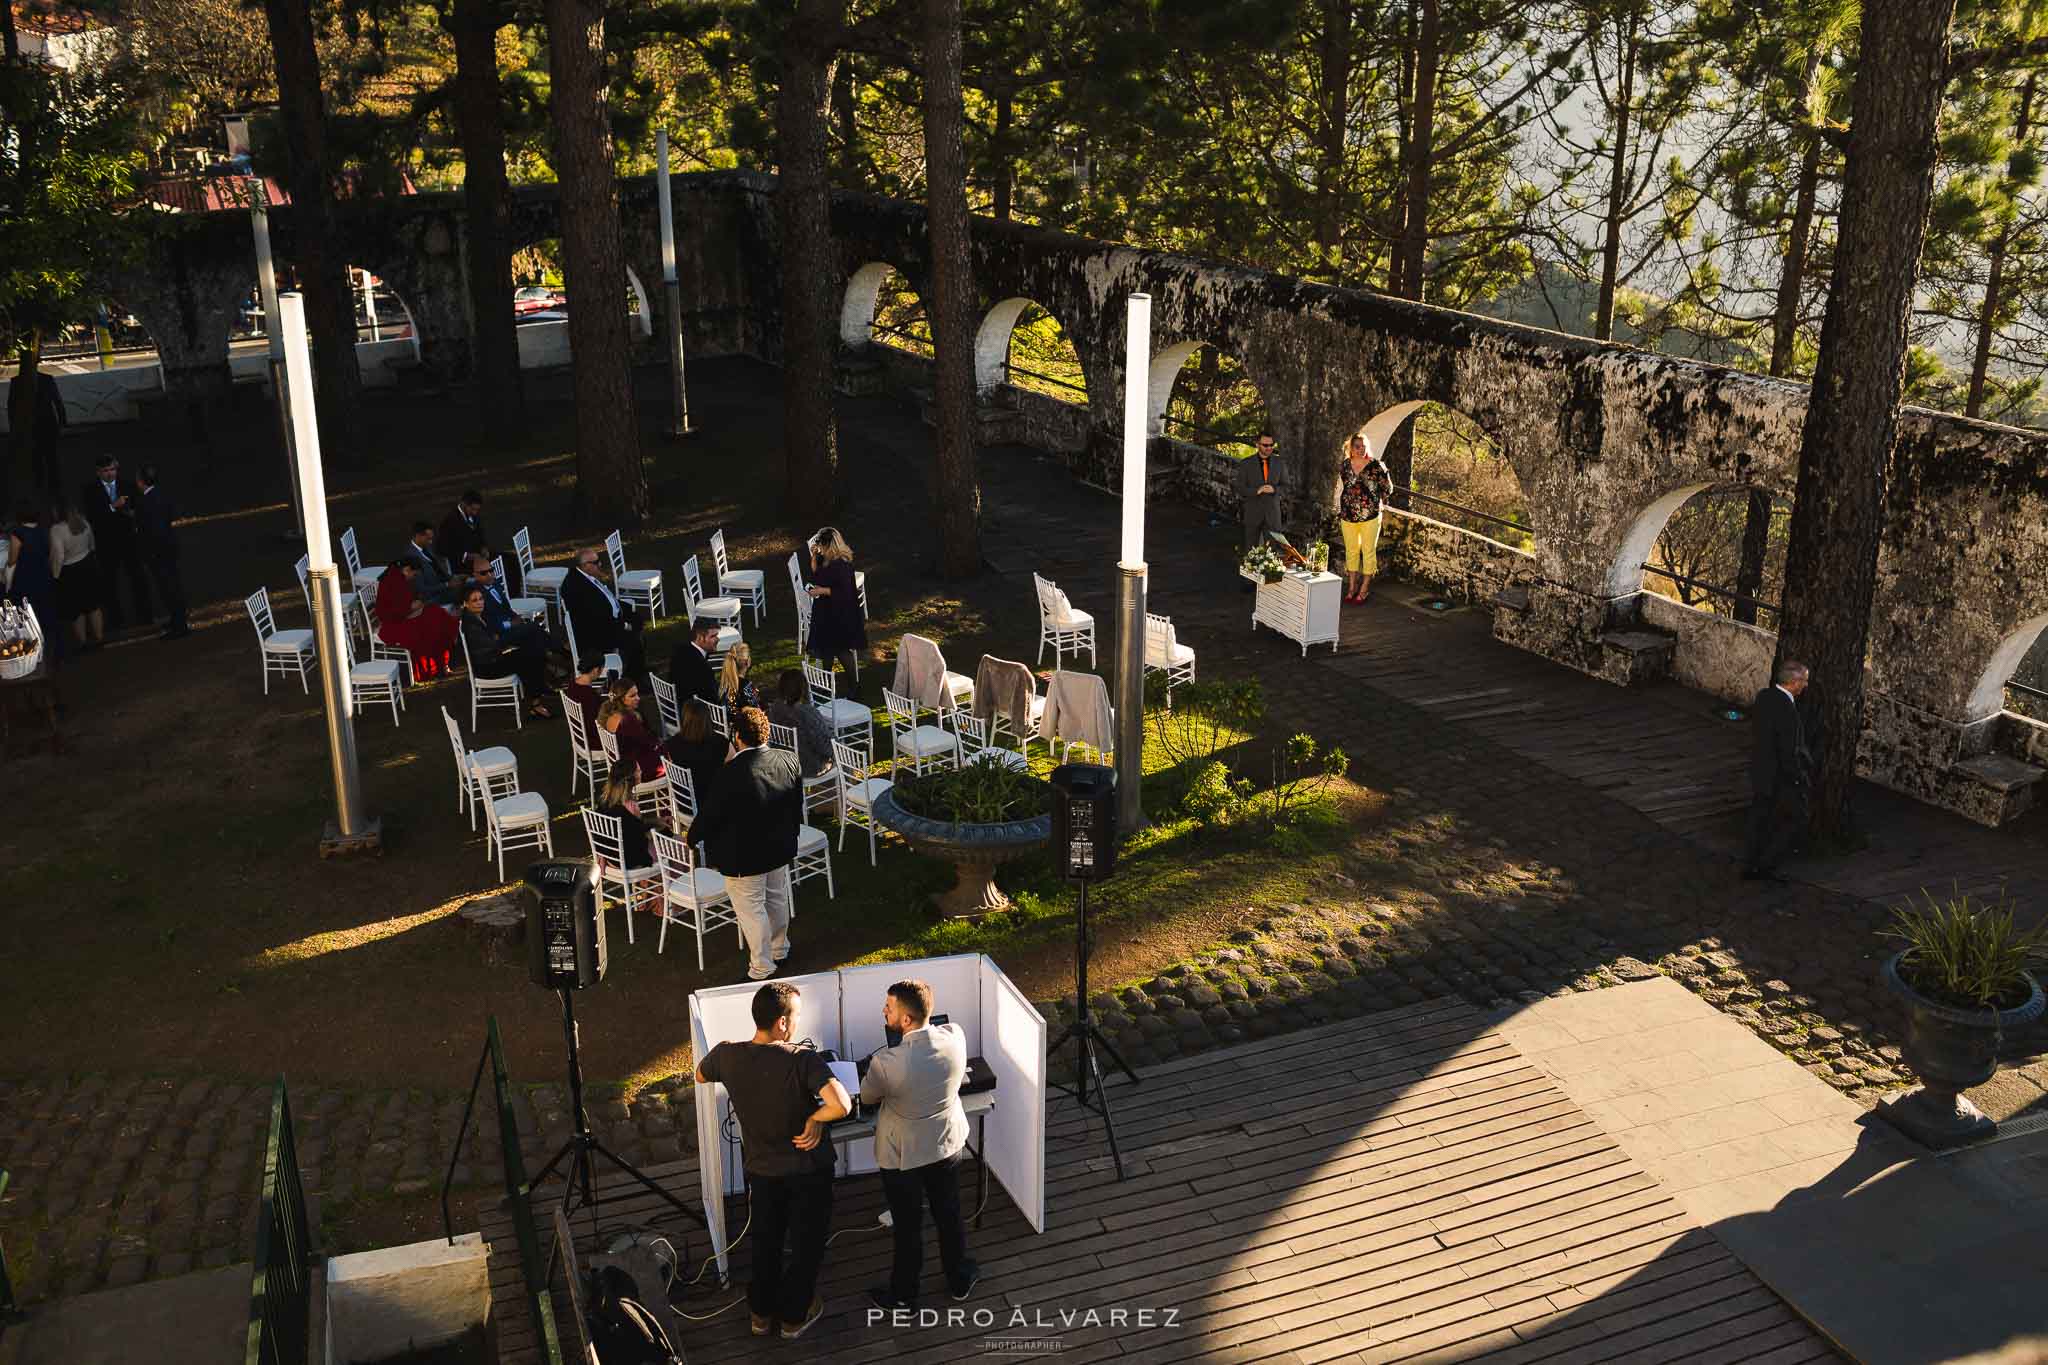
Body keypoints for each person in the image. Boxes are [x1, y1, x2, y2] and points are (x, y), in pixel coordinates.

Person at [693, 983, 850, 1340]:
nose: (796, 1023)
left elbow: (700, 1075)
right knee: (807, 1245)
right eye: (795, 1016)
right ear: (782, 1023)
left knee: (766, 1242)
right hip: (808, 1172)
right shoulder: (802, 1059)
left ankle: (760, 1315)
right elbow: (841, 1105)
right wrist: (814, 1119)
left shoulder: (727, 1055)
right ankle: (794, 1318)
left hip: (762, 1172)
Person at [861, 979, 980, 1311]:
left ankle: (903, 1295)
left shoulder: (886, 1062)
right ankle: (958, 1279)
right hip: (946, 1143)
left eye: (889, 1007)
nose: (884, 1010)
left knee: (908, 1225)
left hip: (903, 1155)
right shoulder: (955, 1037)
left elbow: (868, 1095)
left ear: (906, 1021)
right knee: (949, 1212)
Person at [690, 707, 802, 981]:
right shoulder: (789, 760)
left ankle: (762, 966)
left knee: (753, 911)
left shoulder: (729, 774)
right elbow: (796, 804)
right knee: (776, 898)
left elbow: (711, 815)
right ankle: (780, 949)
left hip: (744, 856)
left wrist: (692, 837)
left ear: (736, 736)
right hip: (779, 847)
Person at [1742, 660, 1812, 882]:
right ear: (1794, 682)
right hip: (1779, 776)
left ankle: (1752, 863)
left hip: (1760, 771)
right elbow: (1788, 750)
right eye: (1804, 680)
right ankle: (1766, 865)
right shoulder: (1787, 710)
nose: (1806, 685)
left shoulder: (1764, 697)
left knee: (1760, 818)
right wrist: (1799, 777)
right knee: (1795, 818)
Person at [458, 584, 554, 719]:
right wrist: (506, 643)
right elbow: (492, 644)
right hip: (488, 667)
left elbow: (493, 640)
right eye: (474, 600)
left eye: (481, 598)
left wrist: (501, 641)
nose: (480, 602)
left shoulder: (478, 616)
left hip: (493, 657)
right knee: (530, 653)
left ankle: (539, 692)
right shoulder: (471, 624)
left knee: (532, 647)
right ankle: (538, 697)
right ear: (465, 604)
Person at [80, 454, 151, 630]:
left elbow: (138, 506)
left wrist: (134, 514)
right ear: (98, 472)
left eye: (112, 469)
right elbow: (92, 517)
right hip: (106, 544)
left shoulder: (127, 485)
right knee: (109, 583)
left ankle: (145, 615)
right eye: (105, 471)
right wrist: (113, 507)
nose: (110, 474)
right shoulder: (89, 491)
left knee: (137, 578)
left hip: (129, 541)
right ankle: (116, 620)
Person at [561, 545, 646, 679]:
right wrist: (624, 625)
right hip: (596, 634)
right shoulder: (577, 586)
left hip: (607, 621)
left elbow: (604, 601)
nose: (600, 564)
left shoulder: (585, 576)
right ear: (585, 565)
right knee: (632, 640)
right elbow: (596, 618)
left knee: (638, 620)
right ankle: (633, 678)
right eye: (596, 563)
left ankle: (639, 668)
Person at [804, 528, 867, 699]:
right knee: (827, 649)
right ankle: (826, 686)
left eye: (822, 547)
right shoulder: (826, 560)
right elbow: (818, 577)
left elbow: (844, 593)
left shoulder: (842, 564)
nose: (820, 550)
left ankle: (854, 686)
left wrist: (822, 591)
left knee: (840, 649)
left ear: (829, 546)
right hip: (828, 610)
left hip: (841, 614)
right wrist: (814, 559)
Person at [1335, 433, 1395, 604]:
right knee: (1352, 551)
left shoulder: (1377, 466)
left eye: (1363, 446)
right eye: (1357, 447)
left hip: (1371, 516)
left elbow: (1388, 488)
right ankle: (1352, 587)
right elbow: (1347, 486)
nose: (1361, 449)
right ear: (1351, 449)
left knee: (1368, 552)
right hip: (1348, 515)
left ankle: (1364, 589)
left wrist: (1376, 500)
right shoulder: (1345, 466)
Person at [373, 558, 458, 677]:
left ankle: (443, 661)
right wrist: (412, 607)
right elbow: (394, 611)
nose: (414, 577)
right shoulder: (394, 580)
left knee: (437, 613)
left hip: (407, 615)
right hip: (395, 623)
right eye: (414, 574)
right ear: (407, 570)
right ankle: (432, 667)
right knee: (430, 628)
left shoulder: (399, 577)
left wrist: (415, 605)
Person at [134, 465, 189, 640]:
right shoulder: (162, 494)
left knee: (167, 588)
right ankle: (178, 620)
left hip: (157, 551)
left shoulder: (143, 502)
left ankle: (179, 626)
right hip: (169, 547)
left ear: (141, 482)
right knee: (173, 585)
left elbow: (147, 528)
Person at [466, 554, 554, 657]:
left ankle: (551, 659)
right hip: (498, 635)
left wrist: (515, 616)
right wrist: (511, 624)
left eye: (491, 570)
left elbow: (506, 607)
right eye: (484, 573)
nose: (489, 575)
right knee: (534, 627)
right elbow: (488, 623)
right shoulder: (477, 595)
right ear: (475, 575)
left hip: (510, 626)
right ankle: (562, 655)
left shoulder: (495, 583)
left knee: (535, 638)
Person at [48, 496, 105, 651]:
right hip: (88, 565)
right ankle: (99, 638)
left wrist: (55, 576)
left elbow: (58, 555)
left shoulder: (56, 529)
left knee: (76, 610)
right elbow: (92, 543)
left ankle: (83, 643)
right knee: (93, 605)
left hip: (70, 572)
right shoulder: (83, 522)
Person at [5, 501, 59, 661]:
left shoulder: (18, 532)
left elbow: (12, 559)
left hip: (26, 579)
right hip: (43, 576)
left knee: (28, 617)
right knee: (46, 615)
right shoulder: (44, 530)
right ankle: (51, 653)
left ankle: (35, 655)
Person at [664, 698, 729, 816]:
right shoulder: (721, 742)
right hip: (715, 804)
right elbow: (735, 770)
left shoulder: (672, 743)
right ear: (707, 718)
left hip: (684, 804)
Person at [766, 669, 835, 779]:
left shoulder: (774, 708)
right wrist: (837, 749)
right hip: (808, 767)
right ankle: (849, 791)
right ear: (802, 690)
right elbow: (824, 745)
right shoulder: (807, 713)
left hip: (783, 764)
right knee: (843, 758)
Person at [1236, 432, 1284, 585]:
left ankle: (1271, 582)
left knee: (1272, 550)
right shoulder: (1246, 464)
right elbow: (1240, 488)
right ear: (1257, 445)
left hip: (1272, 514)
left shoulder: (1279, 463)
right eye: (1265, 445)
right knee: (1250, 547)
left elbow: (1287, 487)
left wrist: (1274, 489)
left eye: (1271, 445)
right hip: (1253, 512)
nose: (1269, 448)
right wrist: (1256, 491)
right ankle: (1248, 581)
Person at [596, 676, 664, 782]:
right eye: (632, 696)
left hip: (625, 764)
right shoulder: (627, 719)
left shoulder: (610, 715)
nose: (638, 698)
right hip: (635, 770)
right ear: (621, 699)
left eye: (637, 694)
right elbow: (648, 743)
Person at [594, 759, 657, 869]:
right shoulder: (628, 806)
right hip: (630, 859)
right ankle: (674, 884)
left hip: (612, 857)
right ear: (630, 778)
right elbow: (639, 837)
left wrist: (601, 851)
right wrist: (657, 826)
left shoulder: (604, 801)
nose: (641, 771)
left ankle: (653, 882)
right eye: (638, 770)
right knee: (677, 845)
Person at [561, 655, 609, 750]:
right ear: (596, 670)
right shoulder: (589, 695)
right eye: (602, 668)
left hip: (580, 737)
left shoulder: (573, 684)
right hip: (593, 740)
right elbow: (597, 721)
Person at [32, 370, 67, 494]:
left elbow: (12, 405)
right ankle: (54, 485)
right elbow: (57, 401)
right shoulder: (47, 379)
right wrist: (63, 422)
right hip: (48, 422)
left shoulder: (17, 381)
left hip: (32, 425)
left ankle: (40, 484)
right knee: (50, 456)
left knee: (37, 457)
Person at [404, 522, 455, 604]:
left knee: (471, 585)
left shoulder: (426, 549)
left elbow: (437, 570)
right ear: (418, 536)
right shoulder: (410, 557)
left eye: (431, 538)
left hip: (443, 589)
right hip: (430, 598)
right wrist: (446, 585)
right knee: (467, 593)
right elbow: (421, 589)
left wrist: (452, 578)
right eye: (428, 539)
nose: (431, 542)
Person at [437, 490, 488, 572]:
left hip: (478, 559)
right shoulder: (449, 521)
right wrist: (466, 556)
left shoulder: (473, 515)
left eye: (477, 510)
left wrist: (483, 547)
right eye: (472, 509)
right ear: (463, 504)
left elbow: (479, 534)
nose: (475, 513)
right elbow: (442, 548)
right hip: (460, 566)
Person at [719, 640, 762, 714]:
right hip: (745, 724)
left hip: (729, 723)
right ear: (747, 662)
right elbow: (757, 711)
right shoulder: (746, 686)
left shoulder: (723, 686)